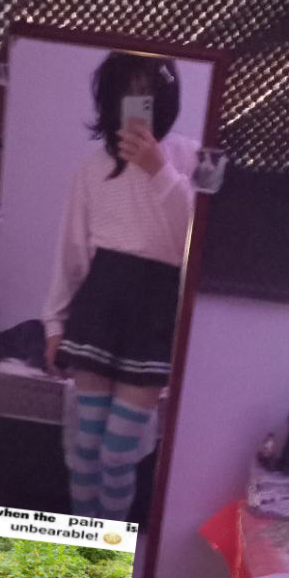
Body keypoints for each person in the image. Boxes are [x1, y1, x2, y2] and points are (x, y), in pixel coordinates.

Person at [43, 52, 197, 521]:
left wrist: (159, 170)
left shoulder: (188, 157)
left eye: (146, 92)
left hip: (155, 310)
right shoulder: (90, 169)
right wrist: (54, 324)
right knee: (85, 447)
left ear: (165, 97)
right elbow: (71, 251)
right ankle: (81, 554)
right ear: (111, 99)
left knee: (116, 453)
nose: (137, 101)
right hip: (99, 304)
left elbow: (196, 243)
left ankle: (107, 552)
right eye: (127, 91)